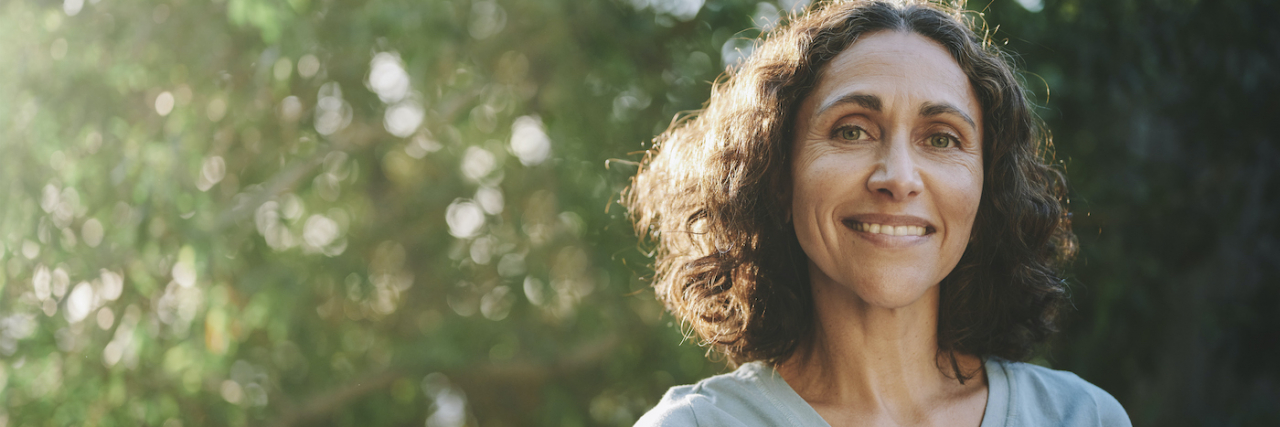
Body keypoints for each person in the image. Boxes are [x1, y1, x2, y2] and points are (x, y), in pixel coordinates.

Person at [624, 1, 1132, 426]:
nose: (899, 177)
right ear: (777, 176)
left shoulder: (1080, 416)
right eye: (852, 131)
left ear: (986, 190)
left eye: (941, 139)